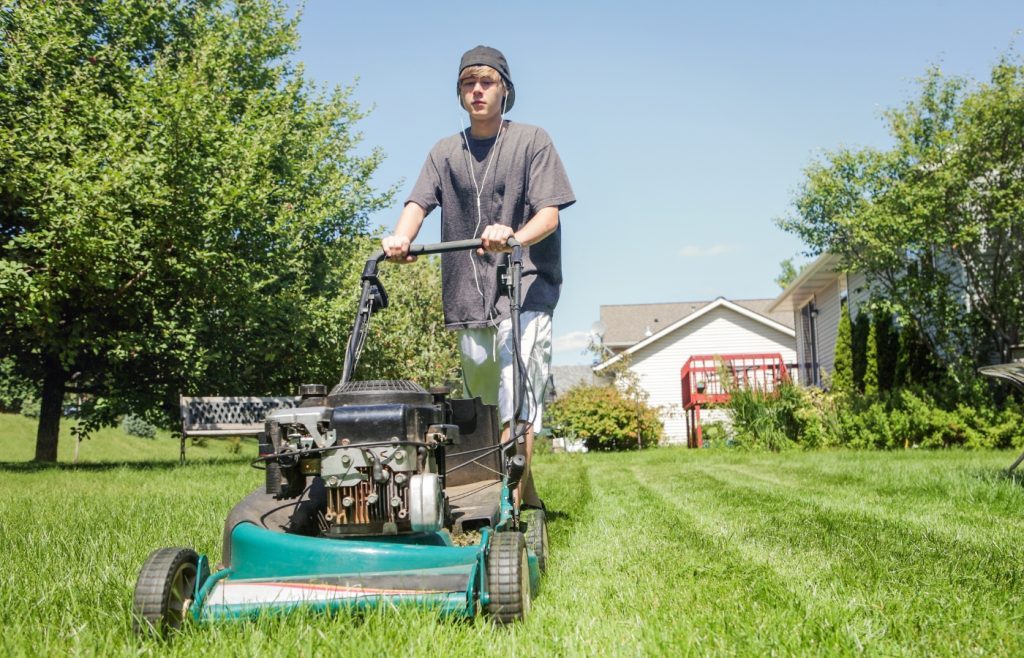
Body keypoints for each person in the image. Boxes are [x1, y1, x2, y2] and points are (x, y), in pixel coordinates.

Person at [381, 45, 575, 508]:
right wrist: (401, 238)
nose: (477, 90)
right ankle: (525, 495)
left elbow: (549, 215)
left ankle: (509, 506)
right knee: (486, 404)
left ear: (505, 89)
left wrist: (514, 237)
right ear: (459, 93)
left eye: (487, 82)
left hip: (525, 287)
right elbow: (418, 203)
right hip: (468, 294)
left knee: (516, 395)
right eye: (469, 83)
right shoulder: (445, 152)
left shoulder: (532, 141)